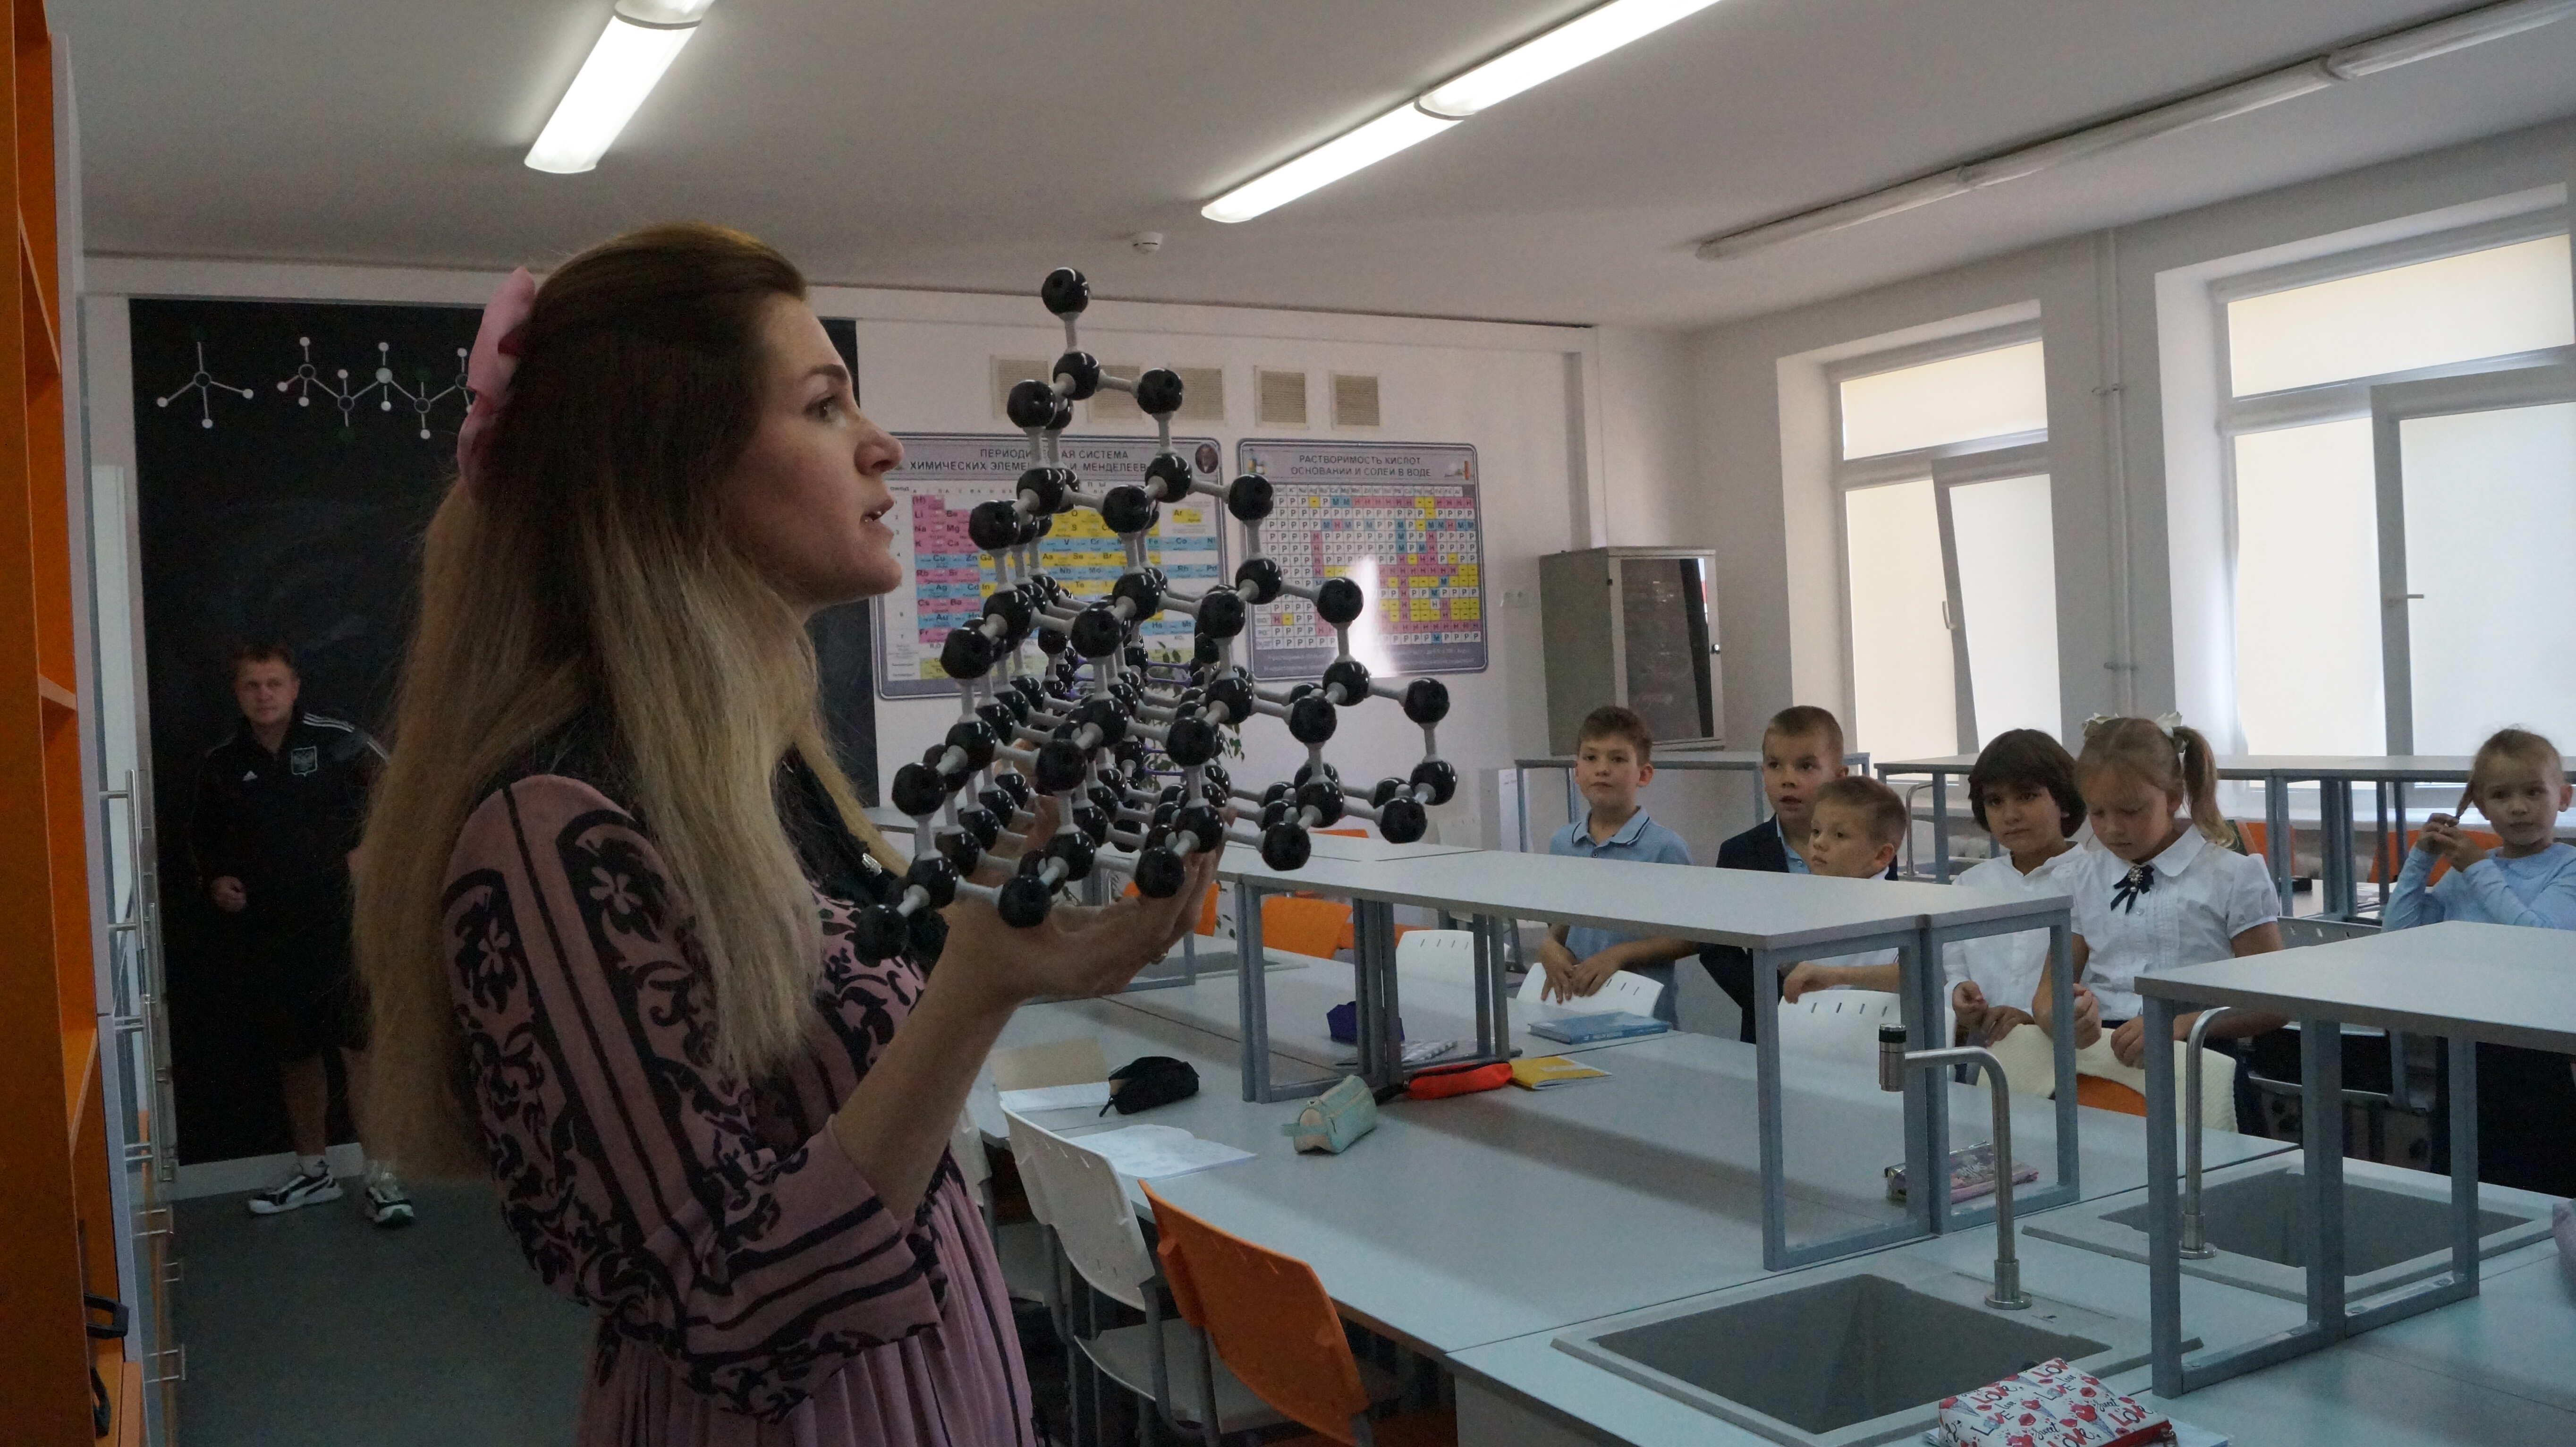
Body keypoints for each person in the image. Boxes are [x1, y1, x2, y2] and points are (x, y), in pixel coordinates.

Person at [354, 225, 1216, 1447]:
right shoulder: (553, 830)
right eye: (823, 405)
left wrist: (988, 942)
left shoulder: (759, 777)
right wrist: (973, 991)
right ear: (670, 474)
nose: (883, 444)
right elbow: (728, 1307)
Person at [190, 642, 410, 1225]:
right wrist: (216, 880)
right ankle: (314, 1173)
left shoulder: (341, 742)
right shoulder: (222, 762)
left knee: (362, 1051)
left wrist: (374, 849)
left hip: (345, 927)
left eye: (274, 683)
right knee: (296, 1055)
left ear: (295, 687)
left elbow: (405, 795)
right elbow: (204, 840)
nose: (264, 695)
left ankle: (383, 1179)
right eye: (252, 685)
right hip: (273, 934)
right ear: (238, 693)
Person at [2050, 716, 2285, 1134]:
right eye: (2097, 813)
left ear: (2173, 797)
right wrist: (2063, 1016)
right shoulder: (2081, 879)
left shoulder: (2232, 876)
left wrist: (2182, 1023)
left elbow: (2275, 1003)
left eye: (2131, 811)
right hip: (2103, 1066)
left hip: (2200, 1059)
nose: (2112, 828)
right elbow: (2051, 991)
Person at [2382, 727, 2576, 1197]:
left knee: (2538, 1187)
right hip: (2464, 1047)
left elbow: (2536, 941)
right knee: (2463, 1182)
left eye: (2533, 792)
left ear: (2564, 797)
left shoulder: (2567, 868)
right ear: (2480, 805)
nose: (2518, 808)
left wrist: (2476, 868)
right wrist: (2420, 860)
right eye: (2501, 795)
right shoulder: (2470, 871)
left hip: (2536, 1050)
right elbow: (2399, 936)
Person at [1698, 705, 1889, 1040]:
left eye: (1806, 766)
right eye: (1775, 765)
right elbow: (1717, 949)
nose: (1788, 779)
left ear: (1840, 777)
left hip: (1858, 1022)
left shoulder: (1869, 849)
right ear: (1763, 773)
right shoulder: (1741, 853)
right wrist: (1778, 1003)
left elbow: (1889, 938)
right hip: (1771, 1025)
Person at [1534, 705, 1696, 1022]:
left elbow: (1692, 937)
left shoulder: (1665, 848)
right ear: (1576, 771)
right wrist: (1549, 945)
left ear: (1643, 775)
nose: (1602, 769)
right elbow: (1562, 920)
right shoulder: (1562, 843)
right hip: (1574, 1004)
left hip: (1641, 1013)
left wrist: (1618, 956)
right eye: (1590, 758)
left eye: (1618, 759)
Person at [1945, 730, 2100, 1048]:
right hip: (1983, 1053)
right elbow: (1952, 965)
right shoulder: (1969, 885)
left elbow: (2104, 981)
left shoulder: (2096, 881)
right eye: (1995, 801)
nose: (2011, 815)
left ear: (2064, 802)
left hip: (2068, 1053)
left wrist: (2037, 1018)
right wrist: (1960, 993)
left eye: (2027, 797)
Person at [1775, 776, 1909, 1000]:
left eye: (1839, 835)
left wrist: (1838, 976)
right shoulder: (1799, 902)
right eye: (1816, 831)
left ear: (1881, 855)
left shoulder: (1901, 912)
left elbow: (1921, 974)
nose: (1819, 843)